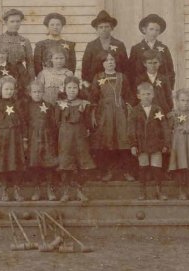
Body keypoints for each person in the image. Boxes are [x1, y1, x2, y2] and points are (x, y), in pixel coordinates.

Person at [90, 52, 136, 182]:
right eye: (106, 60)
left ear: (116, 63)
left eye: (112, 60)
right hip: (104, 113)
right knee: (107, 140)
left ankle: (126, 171)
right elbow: (93, 96)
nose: (110, 62)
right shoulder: (98, 77)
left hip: (120, 112)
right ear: (102, 63)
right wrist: (94, 114)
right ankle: (107, 171)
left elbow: (129, 96)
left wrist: (128, 108)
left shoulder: (122, 77)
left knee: (123, 139)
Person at [127, 82, 171, 201]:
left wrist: (166, 143)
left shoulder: (158, 109)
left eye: (149, 94)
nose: (146, 96)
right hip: (142, 145)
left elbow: (165, 126)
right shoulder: (135, 111)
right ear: (138, 96)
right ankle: (143, 192)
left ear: (153, 95)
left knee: (157, 168)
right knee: (143, 168)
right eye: (143, 94)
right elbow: (131, 129)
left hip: (156, 144)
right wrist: (133, 145)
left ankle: (159, 191)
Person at [55, 77, 95, 202]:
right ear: (65, 89)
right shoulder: (60, 104)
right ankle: (66, 191)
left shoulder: (84, 104)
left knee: (83, 163)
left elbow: (89, 122)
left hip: (80, 137)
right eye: (69, 88)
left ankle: (79, 189)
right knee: (66, 163)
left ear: (79, 89)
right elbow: (56, 122)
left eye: (75, 88)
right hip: (65, 137)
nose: (72, 91)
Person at [0, 75, 27, 202]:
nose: (9, 92)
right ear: (0, 90)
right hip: (2, 140)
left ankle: (17, 189)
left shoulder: (17, 104)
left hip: (15, 139)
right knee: (3, 164)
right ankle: (5, 189)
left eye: (11, 89)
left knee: (16, 164)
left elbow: (23, 123)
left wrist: (24, 140)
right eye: (6, 89)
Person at [25, 81, 59, 201]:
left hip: (47, 137)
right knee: (35, 163)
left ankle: (50, 188)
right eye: (34, 92)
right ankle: (36, 189)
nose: (37, 94)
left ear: (43, 92)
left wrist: (51, 137)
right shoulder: (27, 106)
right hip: (33, 138)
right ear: (30, 93)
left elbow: (54, 123)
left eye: (39, 91)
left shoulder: (49, 106)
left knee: (49, 163)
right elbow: (25, 123)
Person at [0, 9, 34, 95]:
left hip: (21, 74)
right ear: (6, 23)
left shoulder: (25, 41)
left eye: (18, 21)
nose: (15, 24)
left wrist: (32, 81)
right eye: (12, 21)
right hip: (2, 73)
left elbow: (30, 64)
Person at [81, 10, 128, 89]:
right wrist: (89, 84)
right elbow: (85, 67)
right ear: (97, 29)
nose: (104, 29)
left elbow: (125, 67)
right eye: (101, 27)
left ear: (111, 28)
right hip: (95, 84)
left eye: (107, 27)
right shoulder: (91, 46)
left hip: (115, 83)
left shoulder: (119, 45)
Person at [128, 14, 175, 89]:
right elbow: (130, 71)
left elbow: (170, 70)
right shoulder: (136, 49)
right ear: (144, 30)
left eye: (157, 30)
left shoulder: (164, 49)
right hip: (141, 88)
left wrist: (169, 88)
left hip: (160, 87)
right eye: (151, 29)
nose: (154, 33)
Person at [132, 49, 174, 114]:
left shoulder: (164, 79)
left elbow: (168, 97)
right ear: (145, 64)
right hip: (145, 112)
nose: (152, 66)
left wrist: (169, 111)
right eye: (150, 63)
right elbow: (136, 98)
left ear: (160, 63)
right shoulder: (140, 79)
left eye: (155, 63)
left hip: (162, 112)